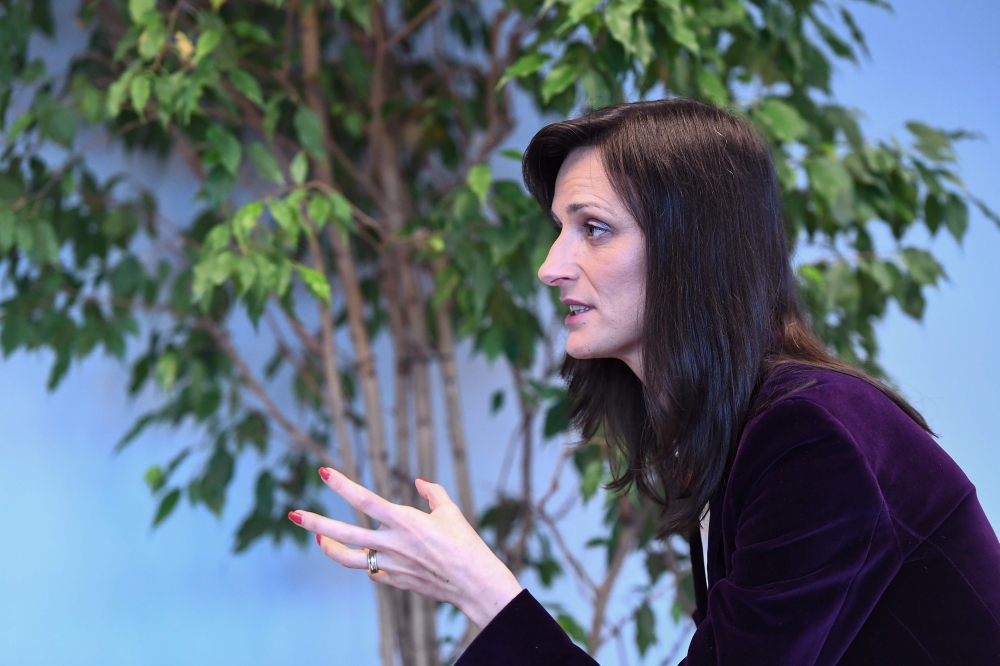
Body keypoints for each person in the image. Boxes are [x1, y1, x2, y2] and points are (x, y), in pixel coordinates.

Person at [287, 99, 1000, 664]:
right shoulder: (737, 433)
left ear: (695, 250)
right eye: (559, 228)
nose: (550, 265)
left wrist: (482, 589)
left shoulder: (813, 438)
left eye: (592, 229)